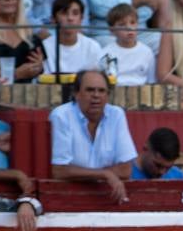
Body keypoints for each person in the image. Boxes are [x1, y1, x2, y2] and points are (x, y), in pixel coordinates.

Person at [48, 69, 136, 202]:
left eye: (101, 91)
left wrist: (83, 174)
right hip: (67, 198)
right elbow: (59, 171)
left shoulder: (116, 115)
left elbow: (125, 170)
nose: (96, 95)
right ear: (76, 93)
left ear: (107, 95)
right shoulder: (61, 116)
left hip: (107, 198)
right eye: (90, 90)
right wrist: (105, 174)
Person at [40, 0, 102, 76]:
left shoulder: (93, 47)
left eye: (75, 13)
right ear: (53, 19)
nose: (70, 18)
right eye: (64, 13)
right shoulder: (44, 47)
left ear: (81, 19)